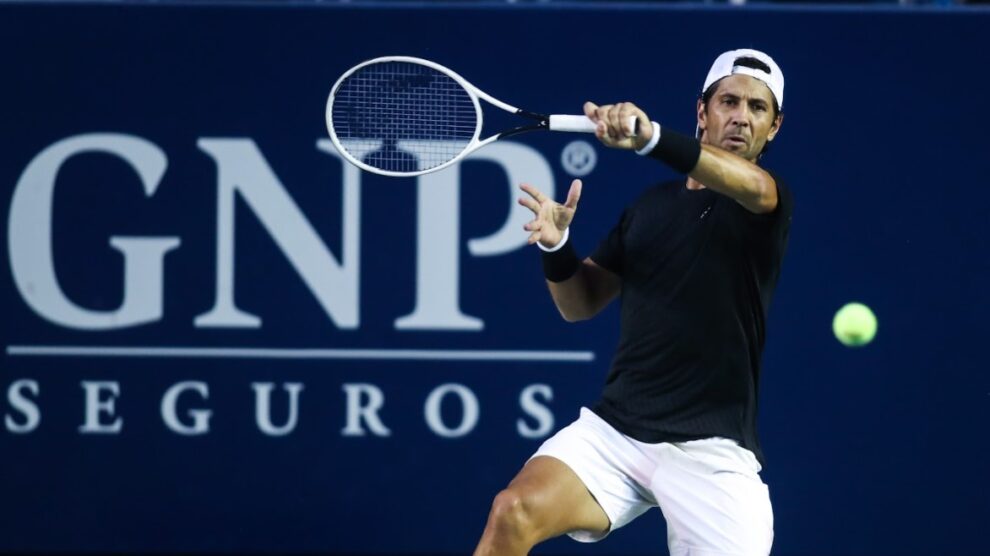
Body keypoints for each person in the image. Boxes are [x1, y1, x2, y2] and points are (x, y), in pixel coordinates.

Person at [473, 48, 792, 556]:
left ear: (773, 128)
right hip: (617, 433)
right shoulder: (650, 208)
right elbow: (579, 303)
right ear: (702, 111)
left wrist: (650, 138)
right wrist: (557, 247)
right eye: (729, 101)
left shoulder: (765, 199)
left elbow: (749, 183)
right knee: (513, 511)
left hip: (711, 454)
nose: (741, 117)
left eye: (758, 108)